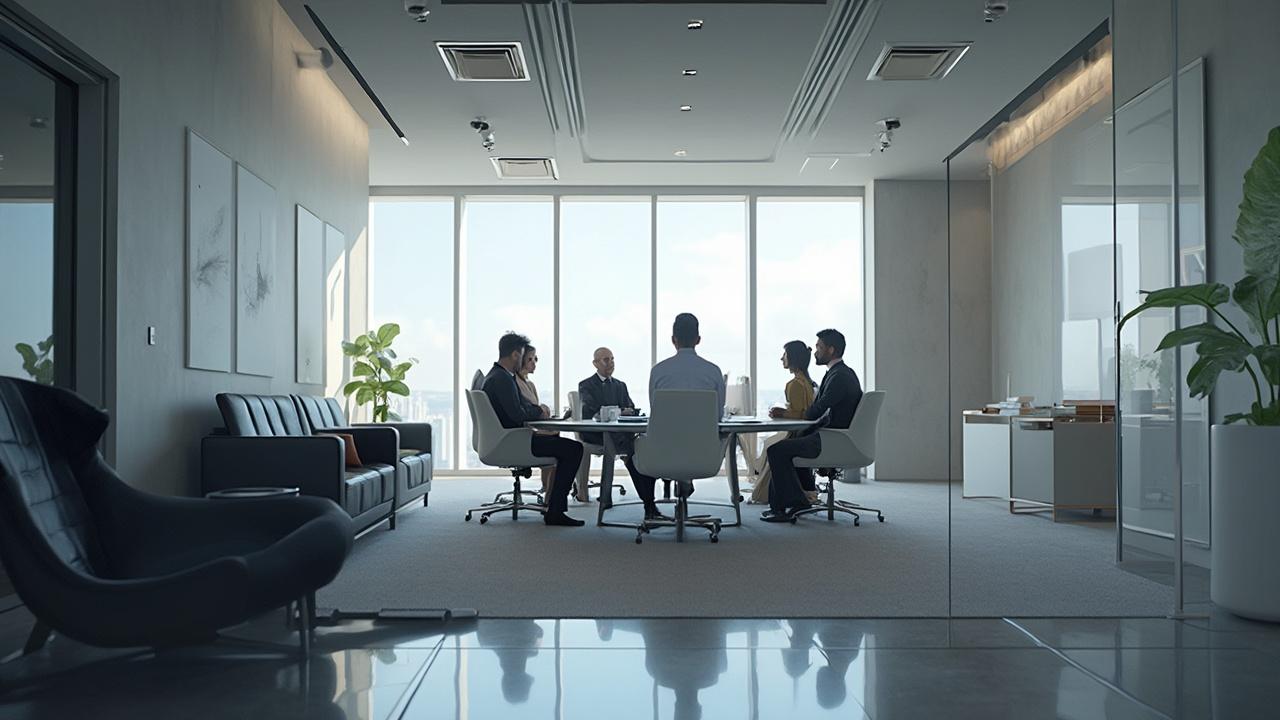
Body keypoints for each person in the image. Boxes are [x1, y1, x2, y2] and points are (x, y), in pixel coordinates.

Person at [482, 332, 585, 526]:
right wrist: (538, 410)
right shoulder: (503, 379)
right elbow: (518, 414)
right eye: (522, 355)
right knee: (574, 449)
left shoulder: (496, 376)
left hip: (510, 438)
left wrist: (535, 411)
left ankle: (554, 507)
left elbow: (519, 408)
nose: (522, 360)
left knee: (568, 448)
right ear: (514, 354)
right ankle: (555, 511)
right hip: (514, 442)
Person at [762, 328, 863, 523]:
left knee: (777, 451)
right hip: (836, 437)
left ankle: (794, 504)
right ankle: (794, 500)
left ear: (831, 350)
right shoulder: (840, 373)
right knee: (793, 443)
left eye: (819, 347)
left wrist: (788, 414)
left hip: (833, 440)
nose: (815, 352)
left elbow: (816, 411)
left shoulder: (838, 377)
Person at [578, 347, 668, 521]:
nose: (610, 363)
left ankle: (649, 503)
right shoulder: (586, 385)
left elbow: (631, 408)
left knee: (639, 451)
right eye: (605, 359)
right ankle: (649, 504)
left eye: (612, 359)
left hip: (620, 434)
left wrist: (626, 412)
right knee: (632, 450)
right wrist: (620, 411)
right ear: (595, 363)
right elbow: (593, 411)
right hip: (597, 434)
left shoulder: (620, 385)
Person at [749, 340, 817, 504]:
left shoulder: (794, 385)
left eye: (784, 355)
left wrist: (783, 412)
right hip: (807, 433)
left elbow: (801, 415)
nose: (781, 358)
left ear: (792, 357)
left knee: (770, 447)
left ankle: (780, 496)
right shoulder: (808, 383)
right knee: (768, 444)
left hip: (797, 435)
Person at [649, 313, 726, 417]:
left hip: (668, 433)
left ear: (673, 339)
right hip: (704, 433)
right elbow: (718, 415)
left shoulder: (657, 371)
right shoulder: (714, 372)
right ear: (698, 340)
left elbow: (655, 413)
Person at [514, 345, 558, 498]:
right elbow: (527, 412)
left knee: (554, 433)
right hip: (523, 433)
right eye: (530, 359)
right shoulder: (514, 383)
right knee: (556, 440)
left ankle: (548, 488)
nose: (534, 363)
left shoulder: (530, 384)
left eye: (535, 359)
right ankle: (549, 492)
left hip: (532, 428)